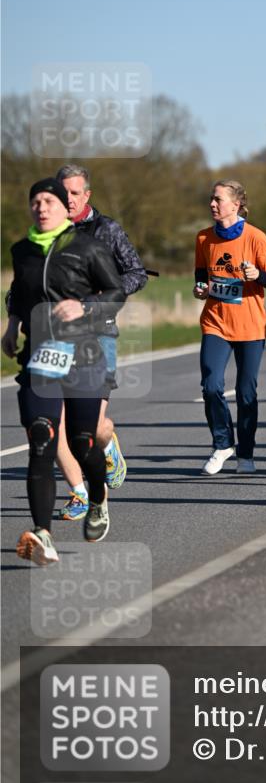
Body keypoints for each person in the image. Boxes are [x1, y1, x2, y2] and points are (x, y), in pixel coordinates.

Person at [1, 178, 125, 564]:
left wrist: (85, 308)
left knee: (83, 443)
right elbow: (21, 293)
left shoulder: (87, 247)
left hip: (85, 357)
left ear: (63, 207)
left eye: (49, 200)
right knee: (42, 438)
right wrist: (11, 325)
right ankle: (43, 534)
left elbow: (116, 292)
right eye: (35, 200)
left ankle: (99, 498)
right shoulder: (22, 250)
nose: (41, 206)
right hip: (40, 357)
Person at [51, 164, 148, 520]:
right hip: (55, 337)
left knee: (92, 427)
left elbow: (136, 274)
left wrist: (96, 299)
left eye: (75, 193)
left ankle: (108, 447)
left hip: (98, 332)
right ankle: (79, 493)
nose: (69, 200)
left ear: (87, 195)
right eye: (63, 193)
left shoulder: (107, 230)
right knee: (54, 422)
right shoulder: (47, 232)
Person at [194, 180, 266, 475]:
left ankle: (245, 453)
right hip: (215, 322)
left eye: (218, 199)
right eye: (211, 198)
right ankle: (222, 444)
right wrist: (201, 288)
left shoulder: (256, 237)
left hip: (250, 325)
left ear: (236, 204)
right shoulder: (204, 238)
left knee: (245, 393)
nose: (212, 204)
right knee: (211, 385)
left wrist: (257, 274)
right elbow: (201, 274)